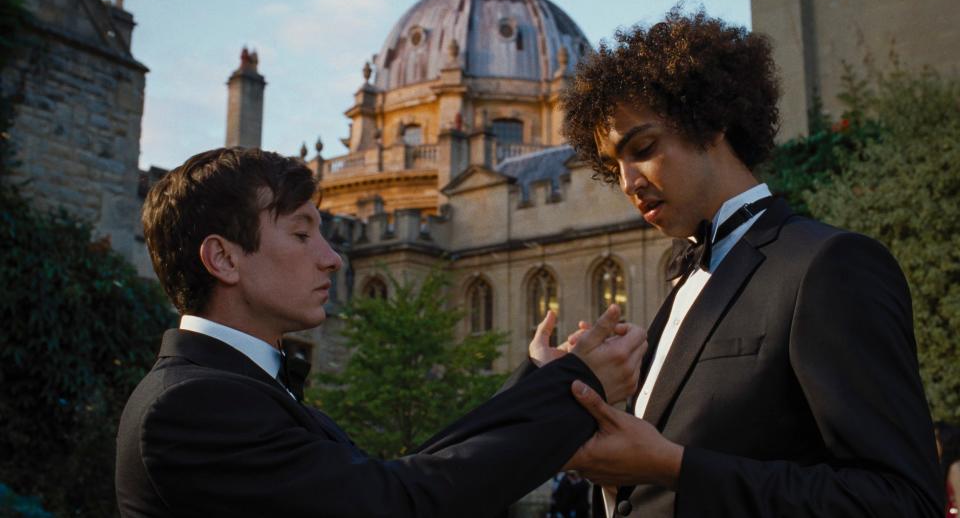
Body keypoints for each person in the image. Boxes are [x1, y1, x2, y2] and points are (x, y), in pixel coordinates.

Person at [535, 7, 943, 517]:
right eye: (613, 167)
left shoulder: (828, 265)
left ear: (711, 121)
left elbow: (903, 502)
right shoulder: (684, 282)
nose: (628, 182)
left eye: (642, 147)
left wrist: (676, 467)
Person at [115, 147, 647, 517]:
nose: (333, 259)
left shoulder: (229, 386)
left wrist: (540, 381)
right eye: (302, 234)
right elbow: (401, 505)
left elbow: (399, 477)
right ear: (223, 258)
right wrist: (577, 395)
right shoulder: (190, 406)